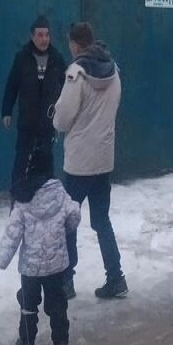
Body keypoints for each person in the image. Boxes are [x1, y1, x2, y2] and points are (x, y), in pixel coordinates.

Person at [53, 22, 125, 301]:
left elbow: (62, 119)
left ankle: (66, 281)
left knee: (68, 220)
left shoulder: (77, 73)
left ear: (75, 44)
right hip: (103, 159)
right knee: (101, 220)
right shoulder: (114, 71)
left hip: (79, 162)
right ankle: (116, 277)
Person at [0, 150, 81, 345]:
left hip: (30, 269)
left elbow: (12, 234)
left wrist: (0, 260)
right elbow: (74, 214)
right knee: (57, 304)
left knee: (28, 304)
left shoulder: (23, 197)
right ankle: (61, 344)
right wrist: (66, 230)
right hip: (56, 264)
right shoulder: (59, 192)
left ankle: (27, 342)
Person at [1, 16, 66, 183]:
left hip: (47, 122)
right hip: (27, 122)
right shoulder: (22, 58)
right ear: (32, 36)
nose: (44, 39)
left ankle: (46, 195)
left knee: (46, 161)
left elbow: (67, 86)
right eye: (40, 35)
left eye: (47, 35)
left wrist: (62, 114)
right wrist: (7, 111)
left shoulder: (56, 59)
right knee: (22, 161)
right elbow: (12, 85)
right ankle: (18, 195)